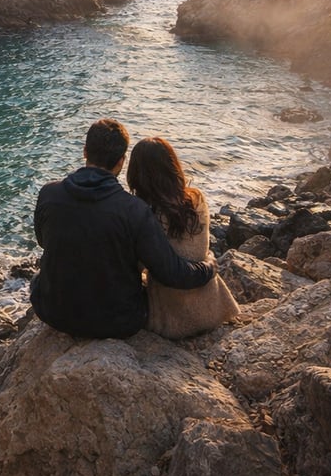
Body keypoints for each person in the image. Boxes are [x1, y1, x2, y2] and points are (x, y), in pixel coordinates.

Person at [29, 118, 217, 339]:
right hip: (118, 322)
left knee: (36, 280)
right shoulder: (134, 210)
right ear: (121, 161)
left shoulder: (49, 193)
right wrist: (208, 266)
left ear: (85, 151)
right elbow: (172, 274)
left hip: (52, 312)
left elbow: (44, 241)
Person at [127, 137, 240, 339]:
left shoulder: (145, 212)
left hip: (173, 320)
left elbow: (143, 265)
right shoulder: (197, 199)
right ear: (173, 166)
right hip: (211, 308)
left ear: (136, 174)